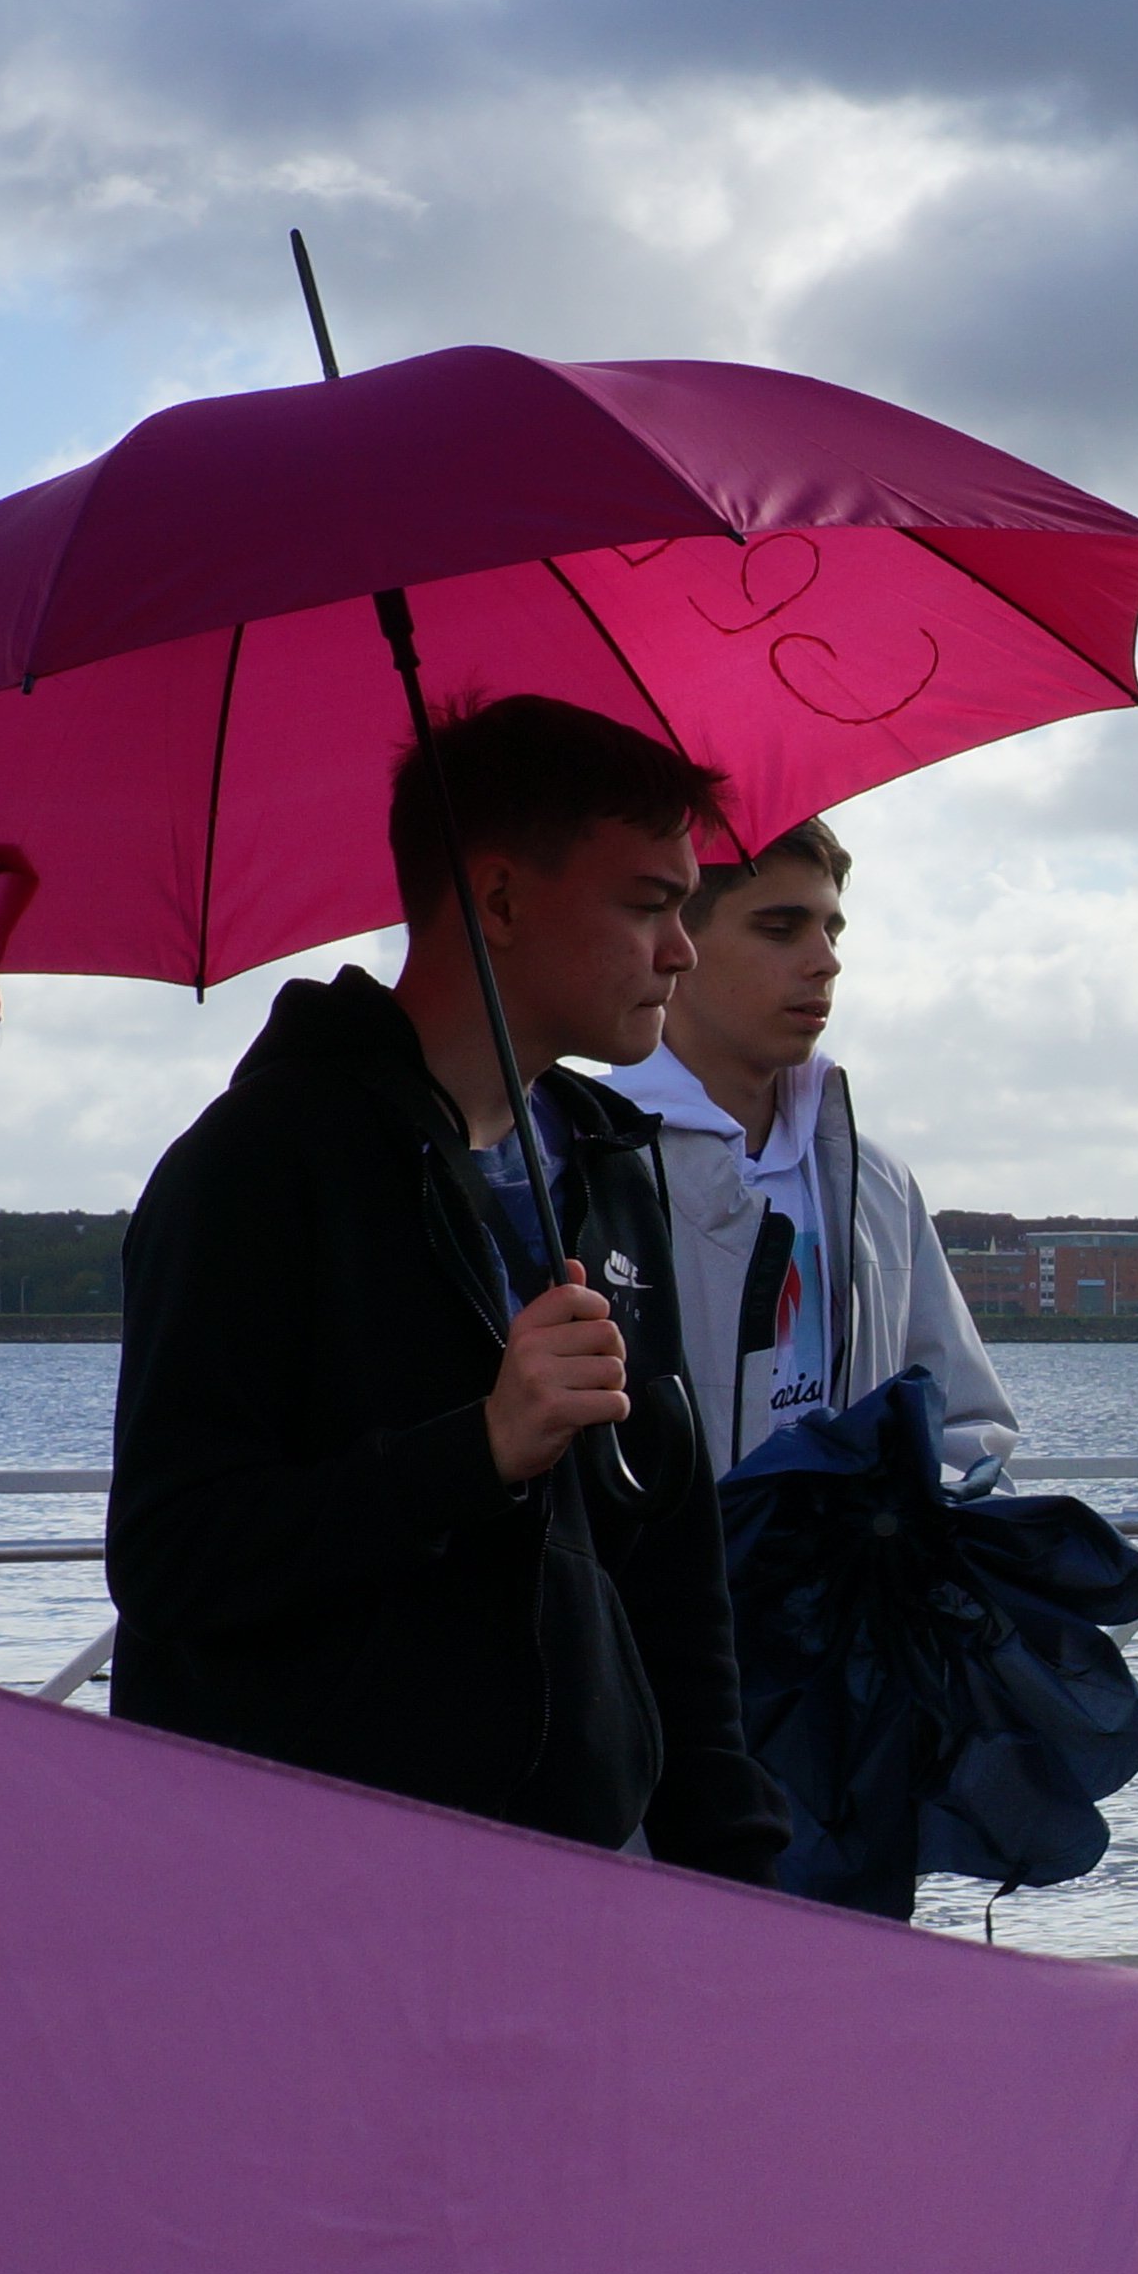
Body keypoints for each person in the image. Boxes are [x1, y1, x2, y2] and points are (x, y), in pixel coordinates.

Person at [106, 694, 784, 1882]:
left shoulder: (612, 1166)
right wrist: (475, 1448)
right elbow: (173, 1556)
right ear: (504, 901)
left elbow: (672, 1566)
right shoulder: (257, 1164)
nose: (681, 948)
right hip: (314, 1890)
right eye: (649, 904)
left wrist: (738, 1877)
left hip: (582, 1882)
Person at [602, 811, 1018, 1479]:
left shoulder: (877, 1180)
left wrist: (907, 1542)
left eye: (831, 928)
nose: (826, 961)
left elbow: (966, 1428)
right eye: (780, 928)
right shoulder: (582, 1164)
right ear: (676, 937)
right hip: (679, 1584)